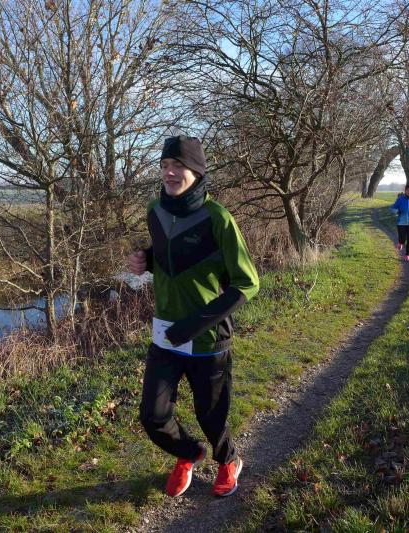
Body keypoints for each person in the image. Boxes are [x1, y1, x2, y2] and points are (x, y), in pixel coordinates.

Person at [128, 135, 259, 498]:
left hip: (206, 337)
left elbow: (247, 283)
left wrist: (195, 323)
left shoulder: (218, 218)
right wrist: (146, 260)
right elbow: (172, 255)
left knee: (211, 416)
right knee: (153, 416)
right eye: (164, 165)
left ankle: (228, 459)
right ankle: (189, 453)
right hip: (166, 335)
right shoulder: (155, 210)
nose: (169, 173)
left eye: (178, 166)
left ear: (197, 172)